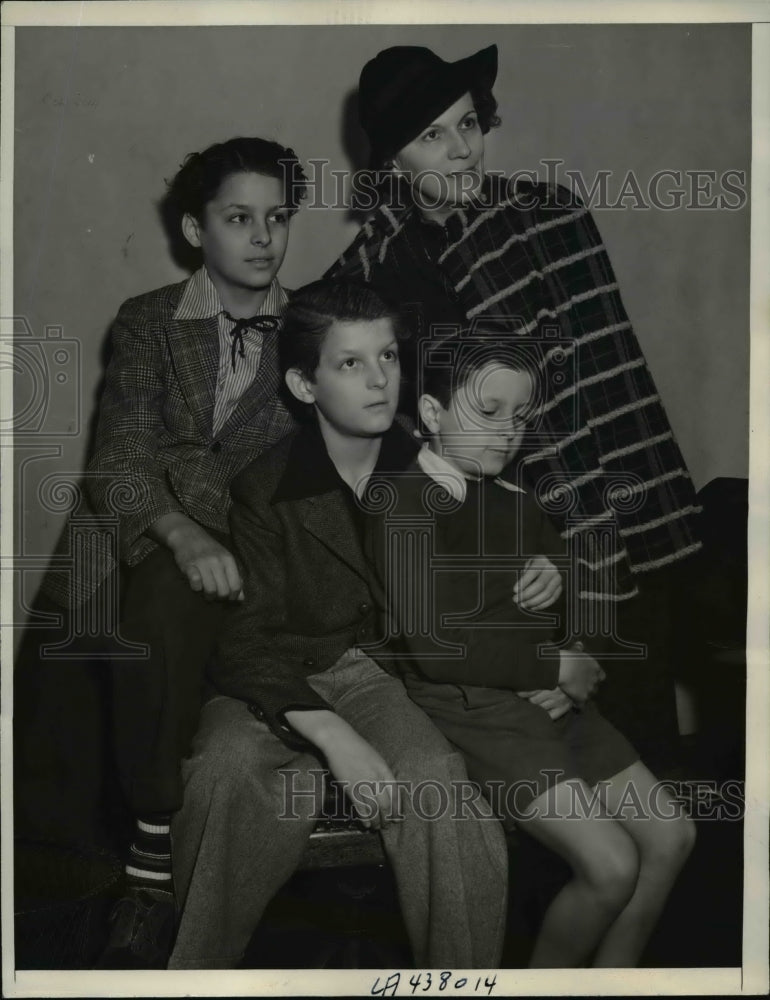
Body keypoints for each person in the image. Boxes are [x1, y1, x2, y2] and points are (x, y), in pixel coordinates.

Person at [325, 44, 702, 769]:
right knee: (532, 774)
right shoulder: (365, 277)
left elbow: (610, 391)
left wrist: (584, 566)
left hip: (607, 525)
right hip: (489, 560)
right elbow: (401, 443)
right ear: (391, 162)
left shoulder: (548, 217)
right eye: (432, 136)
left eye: (469, 124)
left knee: (641, 755)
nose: (462, 150)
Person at [14, 136, 306, 967]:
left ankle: (151, 862)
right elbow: (119, 459)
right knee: (50, 775)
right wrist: (178, 528)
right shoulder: (148, 317)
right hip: (116, 549)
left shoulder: (316, 330)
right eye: (238, 218)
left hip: (230, 562)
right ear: (193, 228)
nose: (262, 238)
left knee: (166, 621)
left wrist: (204, 515)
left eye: (278, 218)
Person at [168, 279, 508, 970]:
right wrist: (332, 734)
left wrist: (539, 578)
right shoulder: (263, 487)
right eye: (350, 364)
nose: (381, 380)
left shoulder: (430, 463)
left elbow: (484, 574)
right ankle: (193, 977)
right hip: (271, 674)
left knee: (439, 783)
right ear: (303, 382)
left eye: (387, 356)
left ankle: (464, 980)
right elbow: (244, 641)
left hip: (376, 674)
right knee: (222, 772)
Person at [364, 336, 696, 967]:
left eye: (519, 418)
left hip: (552, 702)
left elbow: (587, 607)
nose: (508, 432)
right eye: (487, 412)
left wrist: (567, 611)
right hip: (479, 717)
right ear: (432, 417)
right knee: (611, 866)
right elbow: (436, 647)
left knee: (673, 834)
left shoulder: (515, 500)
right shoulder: (402, 506)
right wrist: (556, 665)